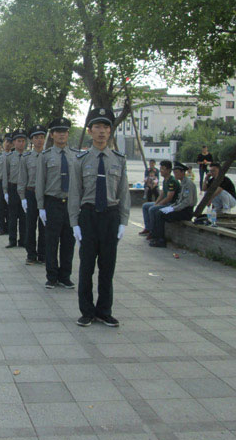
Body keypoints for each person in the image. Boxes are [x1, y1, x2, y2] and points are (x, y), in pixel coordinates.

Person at [68, 107, 129, 328]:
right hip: (88, 216)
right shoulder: (81, 159)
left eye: (105, 127)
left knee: (107, 267)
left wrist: (123, 221)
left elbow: (123, 192)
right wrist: (74, 223)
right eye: (97, 127)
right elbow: (75, 193)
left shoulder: (119, 160)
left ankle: (104, 311)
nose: (102, 131)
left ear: (110, 131)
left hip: (110, 216)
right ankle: (86, 311)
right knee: (86, 267)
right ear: (90, 131)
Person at [35, 117, 79, 289]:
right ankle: (52, 276)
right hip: (52, 202)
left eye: (65, 132)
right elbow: (40, 182)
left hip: (71, 204)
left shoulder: (76, 155)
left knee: (69, 241)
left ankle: (65, 276)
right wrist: (41, 207)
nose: (62, 135)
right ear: (52, 135)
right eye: (58, 132)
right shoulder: (45, 156)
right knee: (51, 241)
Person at [149, 161, 198, 248]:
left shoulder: (188, 184)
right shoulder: (182, 182)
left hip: (186, 211)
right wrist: (171, 207)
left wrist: (173, 209)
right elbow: (179, 200)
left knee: (159, 214)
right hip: (180, 208)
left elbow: (186, 202)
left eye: (177, 172)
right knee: (158, 212)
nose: (175, 174)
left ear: (183, 172)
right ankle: (156, 236)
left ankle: (161, 240)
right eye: (174, 172)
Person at [18, 125, 47, 265]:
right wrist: (23, 197)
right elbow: (22, 178)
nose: (39, 140)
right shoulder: (26, 157)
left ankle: (43, 254)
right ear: (31, 140)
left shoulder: (48, 156)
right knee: (30, 225)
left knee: (44, 226)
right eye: (36, 138)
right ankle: (31, 254)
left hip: (46, 195)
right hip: (31, 193)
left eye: (41, 137)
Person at [139, 160, 180, 239]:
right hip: (165, 203)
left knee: (152, 209)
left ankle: (153, 232)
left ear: (168, 170)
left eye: (163, 169)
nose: (160, 170)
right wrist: (156, 203)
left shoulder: (172, 181)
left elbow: (169, 198)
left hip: (171, 205)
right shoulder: (165, 180)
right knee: (145, 206)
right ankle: (148, 228)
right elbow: (162, 194)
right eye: (160, 168)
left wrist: (158, 205)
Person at [3, 128, 27, 248]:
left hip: (26, 190)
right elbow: (6, 175)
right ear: (14, 142)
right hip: (13, 188)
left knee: (24, 216)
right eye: (18, 141)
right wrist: (5, 191)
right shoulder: (9, 157)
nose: (21, 143)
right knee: (12, 216)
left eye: (23, 141)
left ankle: (23, 240)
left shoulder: (28, 156)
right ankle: (12, 240)